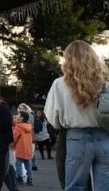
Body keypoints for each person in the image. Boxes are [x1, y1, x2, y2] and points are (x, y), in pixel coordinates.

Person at [44, 40, 109, 191]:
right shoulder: (105, 84)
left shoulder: (59, 84)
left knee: (75, 186)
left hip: (77, 138)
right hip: (104, 137)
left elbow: (53, 118)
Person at [12, 111, 33, 186]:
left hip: (20, 149)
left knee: (18, 164)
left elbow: (14, 138)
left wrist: (11, 145)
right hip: (28, 149)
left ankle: (19, 177)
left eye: (18, 115)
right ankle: (30, 179)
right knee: (28, 165)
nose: (16, 116)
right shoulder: (29, 127)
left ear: (21, 118)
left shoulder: (18, 127)